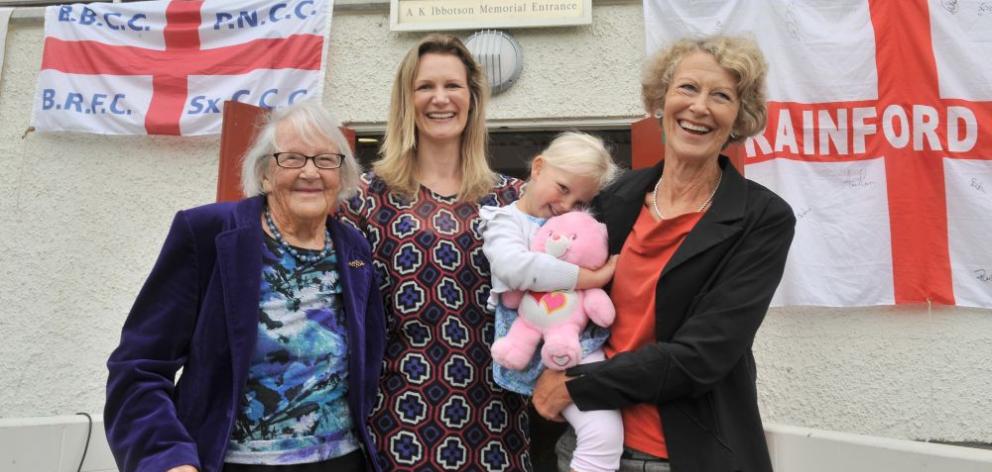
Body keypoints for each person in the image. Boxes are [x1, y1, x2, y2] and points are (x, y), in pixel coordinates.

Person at [533, 36, 796, 472]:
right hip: (585, 450)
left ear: (739, 118)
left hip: (682, 457)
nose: (699, 107)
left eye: (721, 96)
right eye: (687, 88)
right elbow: (560, 290)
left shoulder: (761, 218)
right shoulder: (615, 199)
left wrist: (578, 386)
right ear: (661, 100)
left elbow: (702, 356)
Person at [104, 100, 386, 472]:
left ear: (342, 176)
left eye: (325, 160)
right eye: (292, 158)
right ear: (265, 174)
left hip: (342, 461)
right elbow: (139, 367)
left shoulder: (354, 249)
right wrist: (166, 458)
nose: (310, 172)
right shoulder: (206, 234)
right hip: (234, 463)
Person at [340, 34, 528, 470]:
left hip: (498, 425)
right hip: (395, 426)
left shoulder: (515, 201)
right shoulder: (364, 200)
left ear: (473, 98)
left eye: (453, 86)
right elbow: (342, 322)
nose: (440, 99)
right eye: (425, 86)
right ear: (406, 99)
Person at [481, 131, 623, 472]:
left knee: (604, 433)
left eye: (578, 203)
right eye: (563, 188)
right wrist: (591, 278)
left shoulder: (575, 227)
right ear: (539, 167)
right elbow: (515, 268)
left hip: (577, 344)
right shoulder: (503, 221)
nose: (565, 206)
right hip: (527, 347)